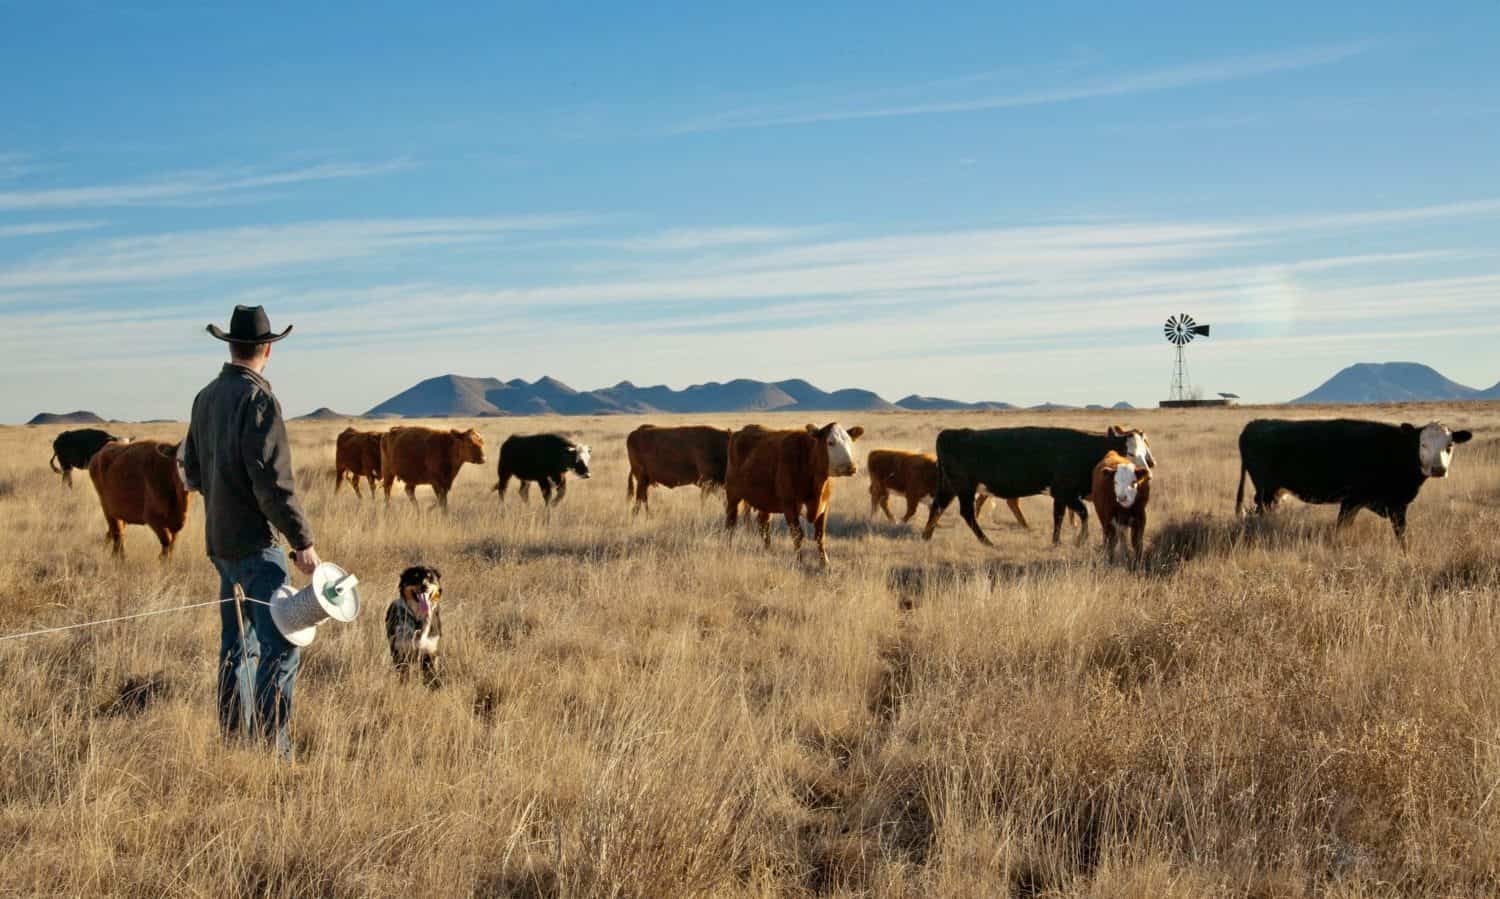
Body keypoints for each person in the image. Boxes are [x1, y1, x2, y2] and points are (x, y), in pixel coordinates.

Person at [180, 305, 321, 758]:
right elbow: (272, 483)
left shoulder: (205, 397)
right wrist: (302, 542)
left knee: (236, 648)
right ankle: (271, 751)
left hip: (219, 542)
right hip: (256, 547)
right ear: (267, 349)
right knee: (281, 645)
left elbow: (193, 473)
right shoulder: (258, 400)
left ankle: (233, 740)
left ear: (231, 346)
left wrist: (224, 499)